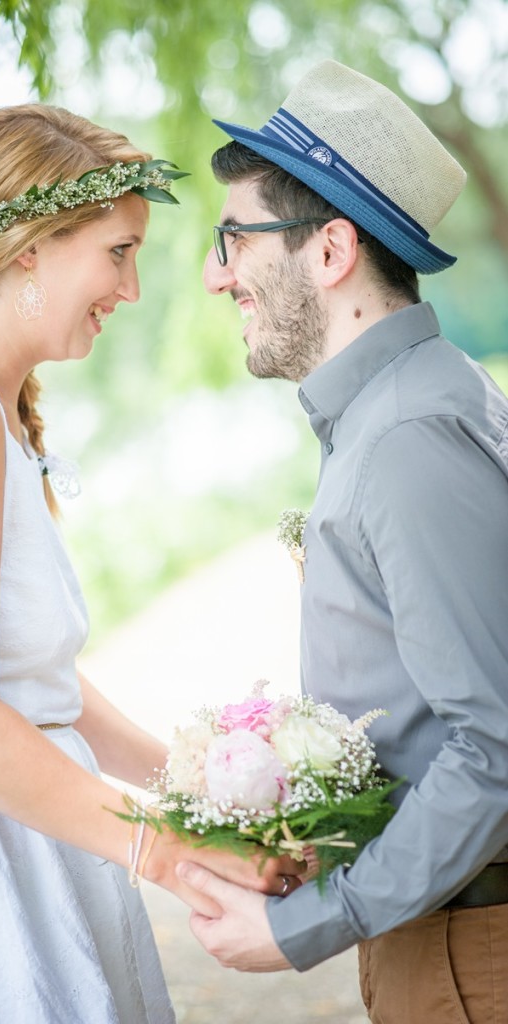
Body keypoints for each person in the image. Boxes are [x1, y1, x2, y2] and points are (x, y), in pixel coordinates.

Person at [0, 104, 297, 1024]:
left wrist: (194, 790)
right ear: (33, 245)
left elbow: (32, 679)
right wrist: (168, 854)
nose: (128, 291)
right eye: (118, 253)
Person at [176, 60, 508, 1023]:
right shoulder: (409, 408)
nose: (214, 274)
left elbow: (492, 742)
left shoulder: (404, 439)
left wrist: (312, 922)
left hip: (466, 956)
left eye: (232, 237)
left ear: (328, 252)